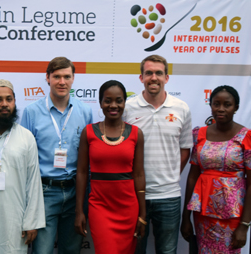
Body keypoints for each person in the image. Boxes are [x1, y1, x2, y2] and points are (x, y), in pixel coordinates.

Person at [21, 57, 93, 254]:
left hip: (75, 193)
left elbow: (89, 156)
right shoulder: (31, 112)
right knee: (42, 251)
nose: (62, 82)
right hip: (44, 192)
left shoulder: (85, 112)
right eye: (57, 77)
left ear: (73, 78)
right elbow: (24, 156)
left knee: (71, 250)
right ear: (47, 78)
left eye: (67, 77)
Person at [123, 54, 193, 254]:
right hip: (135, 195)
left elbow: (185, 148)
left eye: (159, 73)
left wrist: (170, 175)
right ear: (141, 77)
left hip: (169, 196)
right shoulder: (127, 108)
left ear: (167, 78)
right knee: (136, 250)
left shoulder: (181, 108)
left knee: (168, 251)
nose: (154, 77)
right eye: (149, 73)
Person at [0, 79, 45, 254]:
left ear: (14, 102)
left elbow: (33, 182)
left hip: (15, 217)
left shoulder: (26, 137)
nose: (4, 104)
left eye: (9, 99)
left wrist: (31, 222)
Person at [75, 80, 146, 253]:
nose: (113, 105)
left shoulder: (136, 133)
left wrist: (143, 214)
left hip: (128, 207)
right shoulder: (89, 132)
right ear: (100, 103)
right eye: (108, 100)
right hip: (100, 207)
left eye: (119, 100)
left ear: (124, 102)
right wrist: (79, 211)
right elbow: (82, 172)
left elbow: (138, 175)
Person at [181, 85, 251, 253]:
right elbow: (192, 177)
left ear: (236, 108)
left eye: (227, 104)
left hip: (232, 214)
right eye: (216, 104)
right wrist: (186, 217)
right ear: (210, 105)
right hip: (203, 213)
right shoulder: (200, 134)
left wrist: (245, 225)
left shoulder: (245, 136)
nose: (220, 109)